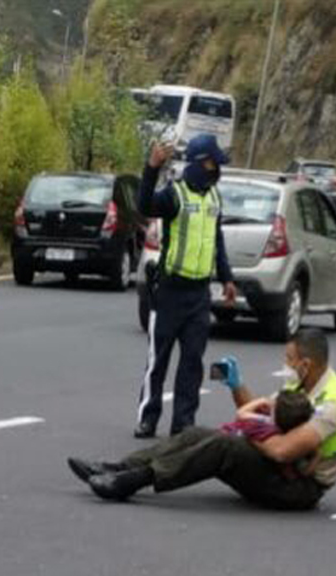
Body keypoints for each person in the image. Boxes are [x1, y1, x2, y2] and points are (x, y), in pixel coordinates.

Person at [67, 329, 336, 511]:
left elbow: (281, 450)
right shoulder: (299, 385)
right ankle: (117, 467)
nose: (286, 365)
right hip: (280, 470)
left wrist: (245, 430)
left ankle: (131, 481)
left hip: (298, 488)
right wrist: (236, 386)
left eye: (289, 359)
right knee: (195, 434)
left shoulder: (331, 406)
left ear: (306, 365)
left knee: (224, 444)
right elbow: (262, 418)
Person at [135, 134, 236, 438]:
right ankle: (148, 418)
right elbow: (144, 205)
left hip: (199, 294)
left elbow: (217, 242)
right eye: (212, 163)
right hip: (169, 291)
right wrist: (151, 168)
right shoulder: (175, 195)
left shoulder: (214, 199)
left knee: (192, 362)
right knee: (158, 360)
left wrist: (227, 278)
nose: (216, 169)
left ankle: (183, 424)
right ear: (197, 164)